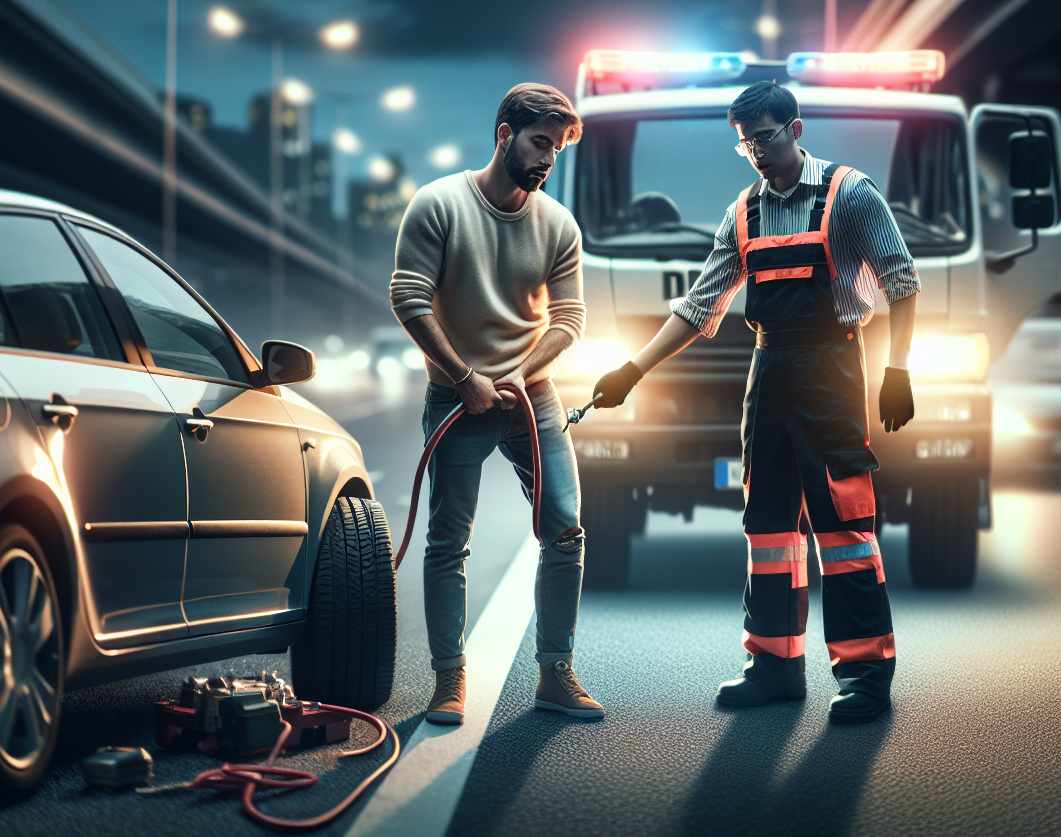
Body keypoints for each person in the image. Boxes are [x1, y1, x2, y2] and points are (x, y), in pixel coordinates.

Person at [591, 81, 919, 724]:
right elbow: (699, 307)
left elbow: (901, 283)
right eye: (743, 143)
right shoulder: (744, 212)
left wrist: (897, 370)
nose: (755, 153)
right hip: (767, 373)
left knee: (844, 527)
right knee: (767, 527)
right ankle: (773, 668)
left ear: (795, 131)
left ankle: (865, 676)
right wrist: (632, 370)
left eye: (764, 138)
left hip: (833, 369)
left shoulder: (849, 194)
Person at [391, 82, 603, 726]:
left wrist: (519, 373)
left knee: (565, 529)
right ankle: (448, 681)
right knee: (448, 541)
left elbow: (569, 319)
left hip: (531, 397)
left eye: (558, 149)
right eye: (541, 143)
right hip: (457, 398)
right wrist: (464, 377)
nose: (548, 159)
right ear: (504, 135)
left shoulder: (557, 224)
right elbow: (409, 298)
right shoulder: (439, 205)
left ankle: (555, 673)